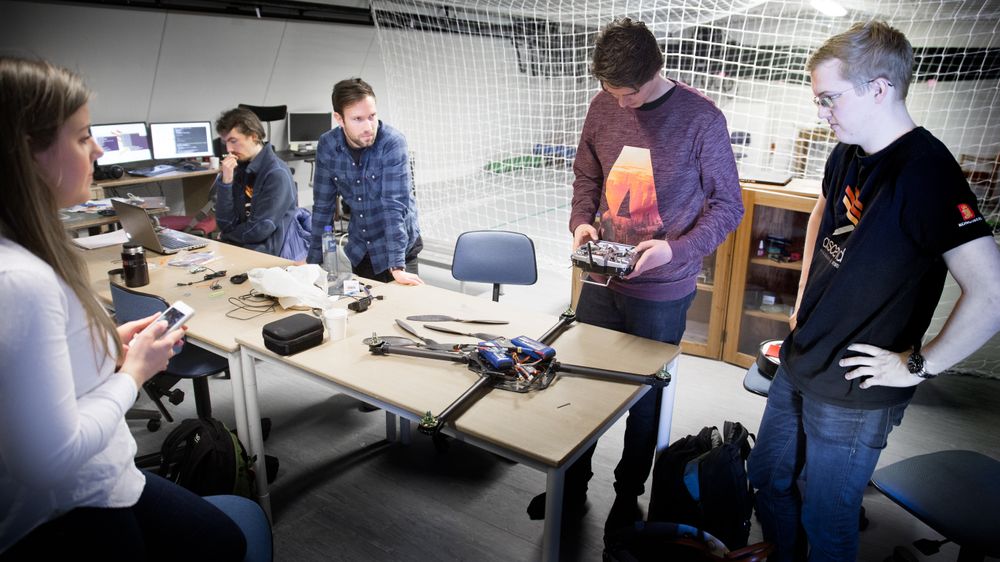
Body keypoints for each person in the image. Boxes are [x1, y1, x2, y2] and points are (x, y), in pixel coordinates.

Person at [746, 21, 1000, 561]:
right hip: (802, 356)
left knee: (826, 517)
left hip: (857, 388)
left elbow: (993, 294)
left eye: (830, 98)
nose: (822, 112)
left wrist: (918, 366)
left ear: (879, 89)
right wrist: (802, 298)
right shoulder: (848, 151)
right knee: (768, 478)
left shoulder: (928, 174)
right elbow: (824, 210)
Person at [0, 57, 248, 560]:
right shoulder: (22, 282)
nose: (97, 149)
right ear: (28, 155)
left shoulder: (20, 260)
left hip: (99, 482)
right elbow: (49, 459)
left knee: (223, 539)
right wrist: (134, 372)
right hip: (75, 506)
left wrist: (105, 345)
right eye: (81, 137)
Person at [544, 17, 743, 529]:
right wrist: (581, 222)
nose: (619, 104)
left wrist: (674, 251)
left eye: (628, 94)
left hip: (662, 289)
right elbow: (586, 173)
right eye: (609, 92)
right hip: (600, 278)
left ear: (655, 71)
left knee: (645, 399)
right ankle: (571, 486)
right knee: (582, 386)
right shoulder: (602, 105)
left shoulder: (702, 119)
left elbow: (728, 206)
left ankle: (627, 497)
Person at [309, 78, 424, 285]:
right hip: (362, 247)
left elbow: (393, 207)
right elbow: (322, 208)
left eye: (372, 116)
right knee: (366, 302)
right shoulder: (328, 145)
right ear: (339, 119)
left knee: (402, 302)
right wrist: (313, 262)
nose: (369, 126)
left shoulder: (392, 143)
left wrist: (397, 267)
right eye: (358, 119)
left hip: (400, 248)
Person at [215, 107, 309, 261]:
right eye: (225, 142)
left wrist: (227, 236)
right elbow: (225, 223)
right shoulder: (239, 169)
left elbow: (260, 229)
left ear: (254, 136)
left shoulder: (276, 173)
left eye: (233, 141)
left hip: (271, 254)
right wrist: (226, 182)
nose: (229, 149)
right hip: (245, 247)